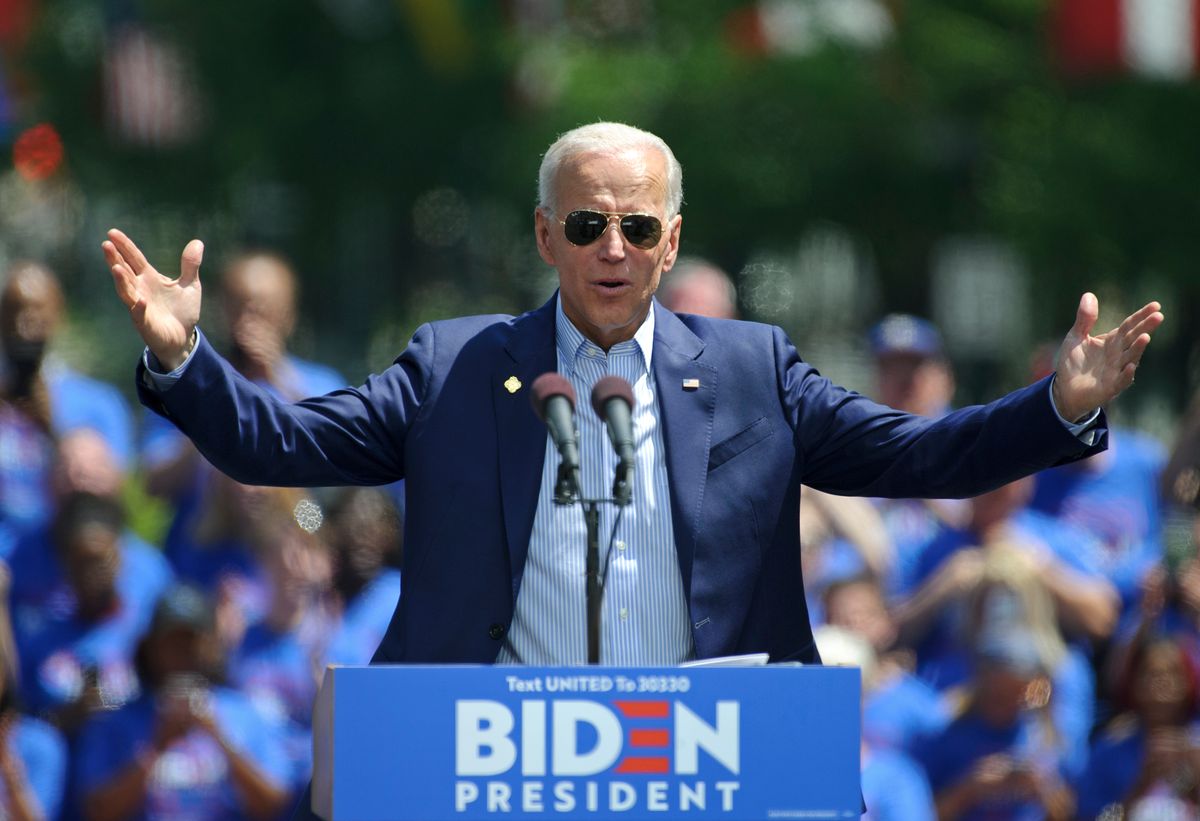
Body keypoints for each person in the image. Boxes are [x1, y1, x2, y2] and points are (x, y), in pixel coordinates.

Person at [103, 121, 1159, 798]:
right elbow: (282, 441)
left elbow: (919, 454)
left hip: (701, 767)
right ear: (544, 235)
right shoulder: (457, 365)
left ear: (669, 238)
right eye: (587, 220)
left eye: (637, 223)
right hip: (490, 769)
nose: (613, 244)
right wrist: (181, 354)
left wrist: (1058, 405)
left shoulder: (755, 370)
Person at [74, 584, 291, 821]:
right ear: (151, 649)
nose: (182, 653)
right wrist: (158, 747)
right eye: (171, 643)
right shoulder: (117, 721)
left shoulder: (244, 713)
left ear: (211, 646)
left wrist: (218, 737)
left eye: (191, 641)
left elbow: (274, 806)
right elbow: (97, 813)